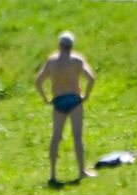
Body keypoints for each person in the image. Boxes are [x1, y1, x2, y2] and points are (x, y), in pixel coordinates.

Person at [35, 32, 96, 185]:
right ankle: (81, 170)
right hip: (74, 99)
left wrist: (45, 98)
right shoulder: (77, 60)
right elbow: (91, 78)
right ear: (72, 45)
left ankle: (53, 173)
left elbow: (38, 82)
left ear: (59, 45)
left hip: (58, 100)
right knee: (77, 136)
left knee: (56, 136)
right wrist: (86, 96)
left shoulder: (52, 61)